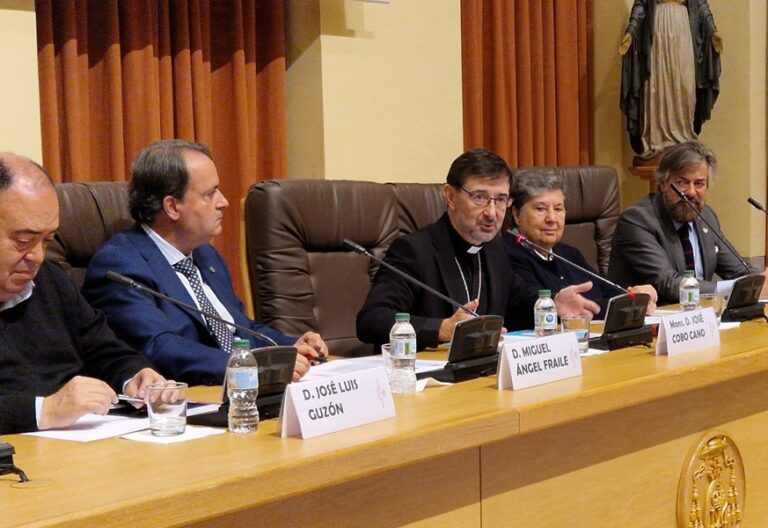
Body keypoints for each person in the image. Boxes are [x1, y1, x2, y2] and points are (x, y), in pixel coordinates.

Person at [82, 140, 328, 386]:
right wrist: (247, 367)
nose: (224, 202)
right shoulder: (120, 265)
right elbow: (158, 346)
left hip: (237, 393)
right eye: (210, 194)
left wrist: (289, 347)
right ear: (172, 206)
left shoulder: (205, 255)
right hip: (184, 402)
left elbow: (239, 328)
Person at [356, 149, 600, 350]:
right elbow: (371, 320)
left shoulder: (493, 248)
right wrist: (440, 328)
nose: (492, 213)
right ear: (450, 196)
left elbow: (520, 299)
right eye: (480, 198)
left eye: (501, 199)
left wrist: (552, 304)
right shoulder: (415, 250)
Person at [0, 153, 165, 434]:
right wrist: (45, 410)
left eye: (47, 240)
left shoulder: (51, 279)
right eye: (24, 240)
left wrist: (135, 376)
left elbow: (103, 349)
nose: (37, 257)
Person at [608, 141, 768, 304]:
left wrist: (761, 281)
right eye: (682, 182)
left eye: (699, 184)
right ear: (662, 183)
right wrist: (733, 288)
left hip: (698, 319)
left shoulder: (706, 216)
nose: (691, 192)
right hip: (650, 322)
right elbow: (669, 284)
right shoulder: (637, 220)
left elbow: (739, 271)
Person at [503, 169, 658, 316]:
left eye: (558, 209)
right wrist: (621, 306)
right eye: (540, 209)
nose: (552, 219)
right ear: (517, 214)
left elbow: (611, 293)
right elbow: (549, 311)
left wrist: (637, 297)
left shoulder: (569, 253)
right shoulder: (507, 254)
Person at [619, 0, 721, 158]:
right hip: (657, 29)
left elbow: (701, 6)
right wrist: (632, 30)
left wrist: (712, 31)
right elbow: (641, 5)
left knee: (684, 86)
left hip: (682, 29)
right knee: (657, 86)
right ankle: (657, 141)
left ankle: (683, 139)